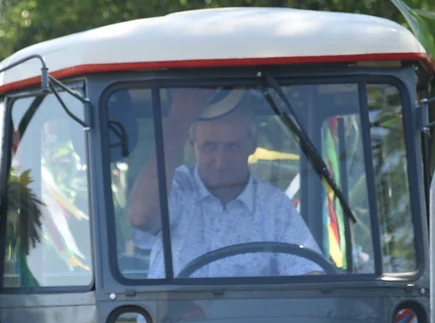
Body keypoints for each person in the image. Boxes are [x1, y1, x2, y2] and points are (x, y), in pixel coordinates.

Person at [128, 87, 322, 278]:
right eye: (210, 146)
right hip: (170, 310)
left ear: (252, 144)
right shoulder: (174, 189)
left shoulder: (274, 206)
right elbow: (141, 217)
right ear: (191, 143)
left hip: (250, 311)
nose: (221, 162)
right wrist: (178, 121)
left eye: (232, 147)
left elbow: (309, 273)